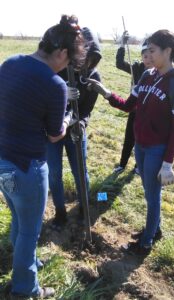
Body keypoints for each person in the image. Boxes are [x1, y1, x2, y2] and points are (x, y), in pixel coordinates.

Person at [0, 15, 86, 298]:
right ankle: (26, 288)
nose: (66, 66)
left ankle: (29, 264)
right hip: (28, 167)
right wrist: (68, 118)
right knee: (29, 231)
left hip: (3, 163)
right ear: (61, 52)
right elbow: (53, 135)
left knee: (18, 219)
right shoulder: (55, 85)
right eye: (68, 60)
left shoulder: (10, 63)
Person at [88, 29, 174, 255]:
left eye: (153, 51)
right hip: (141, 146)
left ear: (168, 51)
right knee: (148, 191)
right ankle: (156, 230)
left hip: (157, 148)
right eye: (148, 51)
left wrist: (167, 164)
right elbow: (128, 105)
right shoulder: (147, 75)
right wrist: (106, 93)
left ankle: (145, 244)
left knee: (152, 196)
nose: (148, 55)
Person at [47, 27, 102, 229]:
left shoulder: (94, 76)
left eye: (91, 58)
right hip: (53, 131)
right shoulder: (58, 70)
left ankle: (83, 209)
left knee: (80, 171)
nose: (85, 62)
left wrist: (80, 123)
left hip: (76, 132)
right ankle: (60, 213)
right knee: (54, 173)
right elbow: (44, 101)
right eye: (82, 56)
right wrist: (61, 95)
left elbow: (87, 111)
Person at [114, 32, 153, 174]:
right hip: (134, 109)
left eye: (150, 56)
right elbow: (119, 63)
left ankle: (138, 166)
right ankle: (122, 165)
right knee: (129, 138)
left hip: (148, 113)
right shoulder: (136, 67)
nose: (147, 59)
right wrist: (122, 44)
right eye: (145, 56)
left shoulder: (157, 73)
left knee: (141, 140)